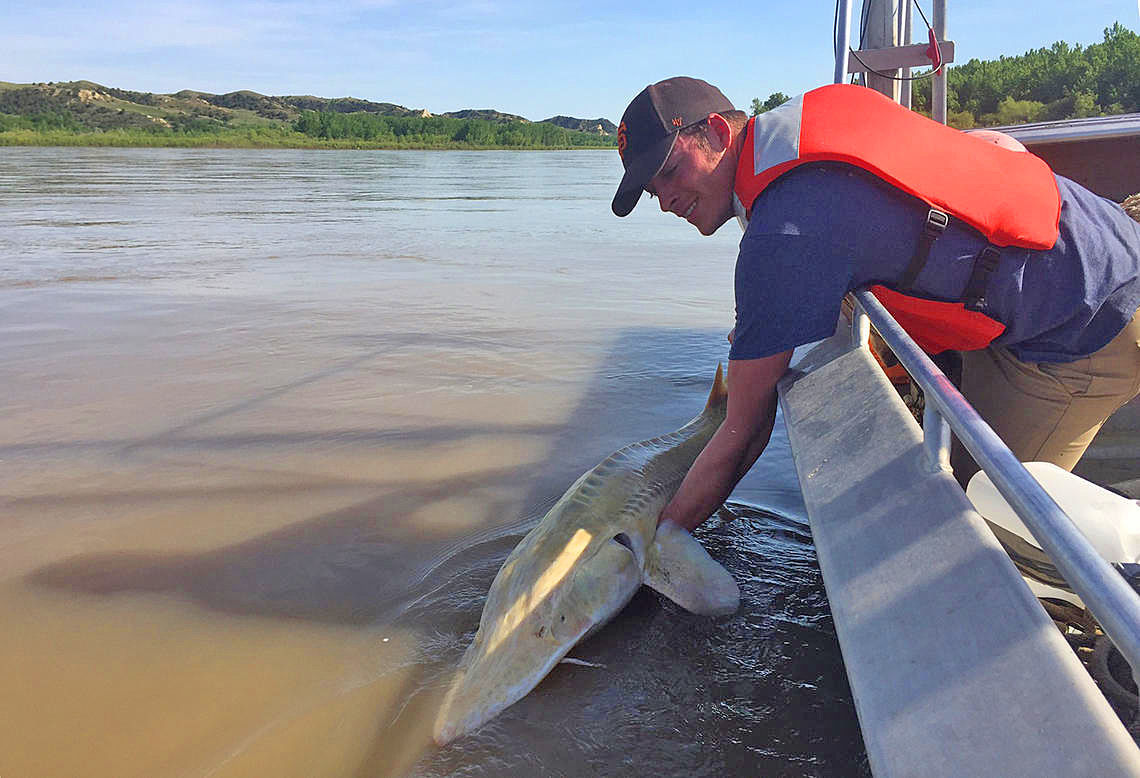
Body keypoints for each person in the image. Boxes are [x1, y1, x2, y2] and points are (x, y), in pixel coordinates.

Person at [611, 76, 1140, 533]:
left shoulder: (782, 233)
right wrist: (763, 328)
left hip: (1087, 322)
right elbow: (999, 147)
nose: (665, 199)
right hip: (1099, 236)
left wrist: (656, 536)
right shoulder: (808, 123)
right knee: (947, 471)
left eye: (670, 170)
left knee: (976, 532)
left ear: (720, 134)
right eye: (650, 189)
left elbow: (744, 430)